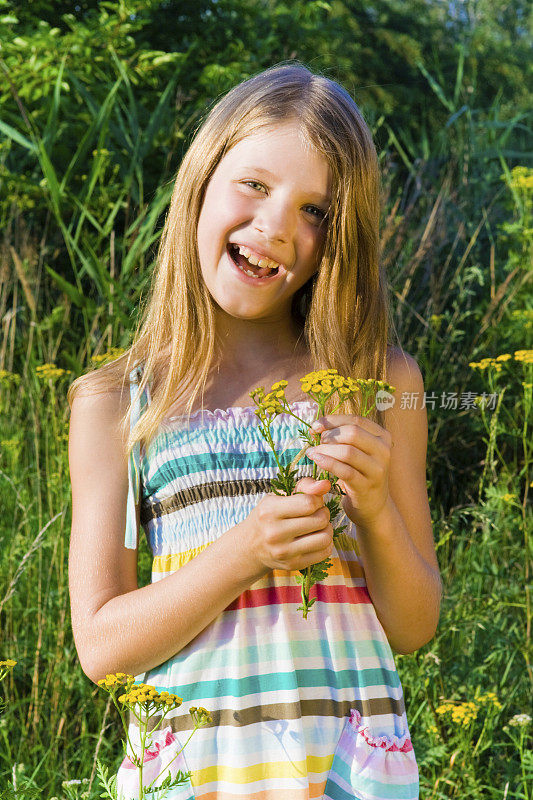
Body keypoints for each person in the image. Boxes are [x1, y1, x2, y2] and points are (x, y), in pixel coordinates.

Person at [68, 62, 442, 800]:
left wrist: (371, 510)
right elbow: (103, 646)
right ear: (201, 178)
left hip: (348, 777)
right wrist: (243, 553)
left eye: (316, 211)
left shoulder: (378, 383)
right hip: (195, 777)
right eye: (254, 185)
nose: (276, 227)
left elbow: (412, 624)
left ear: (341, 236)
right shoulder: (115, 402)